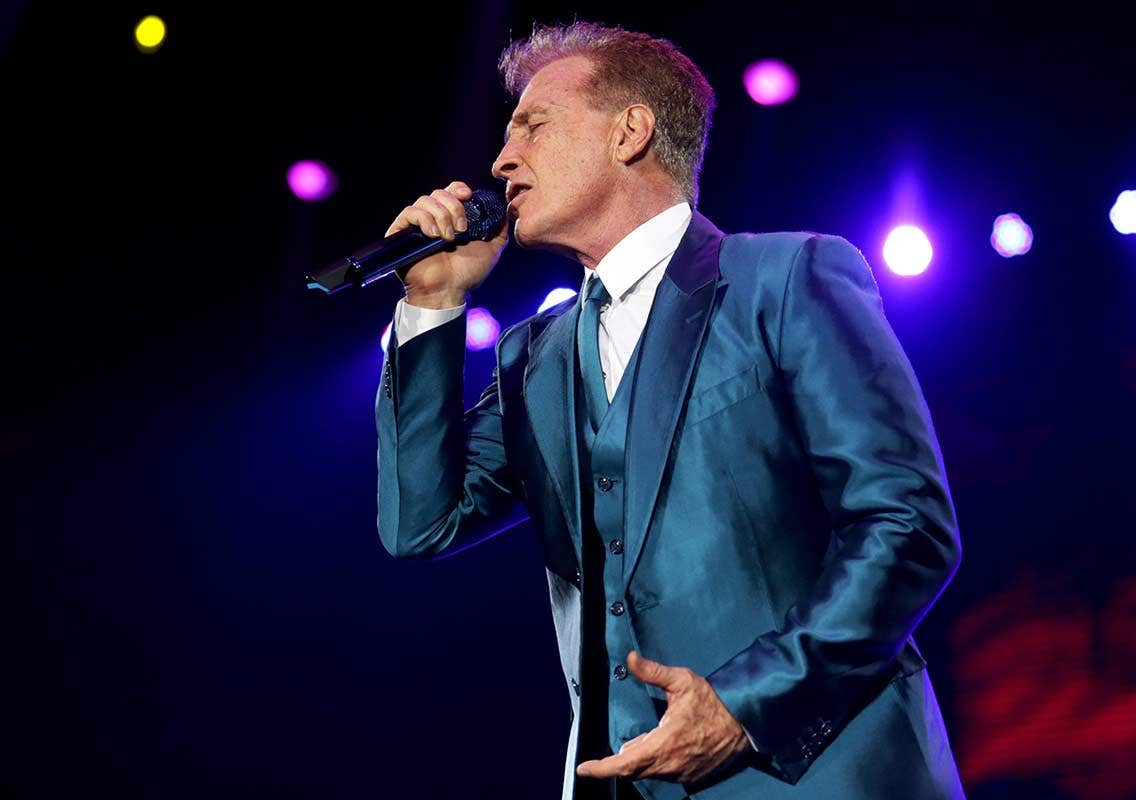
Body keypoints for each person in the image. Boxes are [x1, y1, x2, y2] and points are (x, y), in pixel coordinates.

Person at [374, 21, 964, 800]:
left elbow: (907, 525)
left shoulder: (784, 279)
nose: (500, 160)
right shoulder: (533, 356)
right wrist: (434, 304)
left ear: (630, 130)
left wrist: (743, 705)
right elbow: (422, 522)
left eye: (533, 126)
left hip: (818, 775)